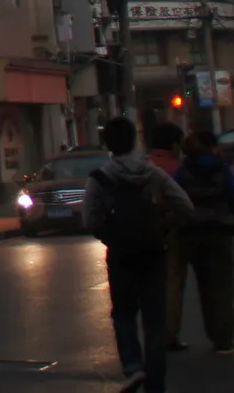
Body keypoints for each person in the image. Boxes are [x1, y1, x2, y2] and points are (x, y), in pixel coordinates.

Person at [84, 116, 195, 393]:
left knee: (123, 312)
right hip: (154, 252)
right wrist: (165, 229)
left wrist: (109, 235)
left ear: (107, 142)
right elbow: (185, 206)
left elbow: (90, 220)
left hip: (120, 254)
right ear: (135, 140)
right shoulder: (152, 173)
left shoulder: (100, 177)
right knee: (154, 318)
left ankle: (133, 367)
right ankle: (156, 381)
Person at [165, 130, 234, 355]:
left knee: (198, 285)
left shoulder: (183, 172)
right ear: (212, 147)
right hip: (219, 234)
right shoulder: (222, 169)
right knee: (220, 288)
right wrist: (230, 219)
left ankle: (169, 334)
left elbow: (175, 199)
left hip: (190, 234)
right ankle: (223, 340)